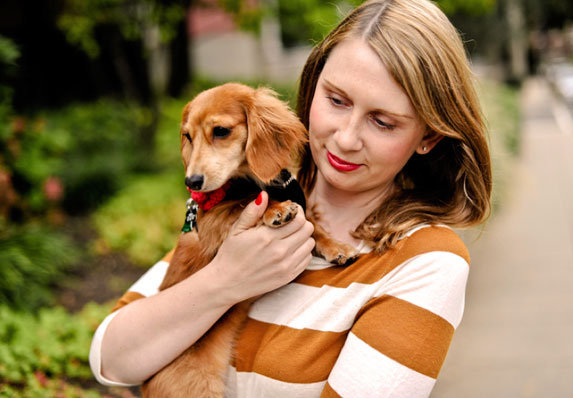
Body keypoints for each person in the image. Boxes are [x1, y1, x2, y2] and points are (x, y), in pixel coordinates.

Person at [89, 0, 492, 396]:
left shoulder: (425, 261)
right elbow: (111, 358)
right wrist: (225, 279)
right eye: (336, 100)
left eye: (382, 121)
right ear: (312, 87)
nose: (346, 138)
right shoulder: (244, 204)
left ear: (428, 136)